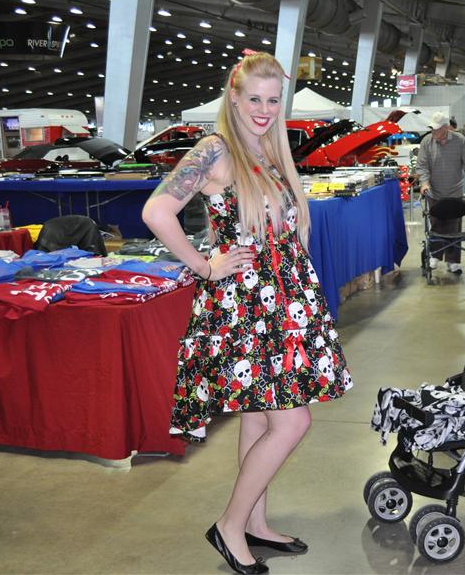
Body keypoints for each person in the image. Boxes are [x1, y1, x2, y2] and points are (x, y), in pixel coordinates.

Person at [142, 51, 353, 574]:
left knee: (260, 417)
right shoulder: (214, 149)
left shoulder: (270, 149)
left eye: (272, 100)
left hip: (281, 302)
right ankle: (230, 524)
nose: (263, 109)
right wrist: (204, 266)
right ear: (233, 99)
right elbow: (157, 210)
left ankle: (255, 523)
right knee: (292, 422)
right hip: (246, 304)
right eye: (254, 99)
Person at [418, 111, 465, 275]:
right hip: (434, 192)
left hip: (455, 192)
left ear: (446, 128)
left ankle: (453, 261)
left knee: (453, 227)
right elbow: (422, 166)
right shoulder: (427, 142)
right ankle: (435, 256)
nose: (433, 131)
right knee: (436, 225)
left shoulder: (460, 141)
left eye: (437, 128)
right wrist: (424, 183)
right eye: (432, 128)